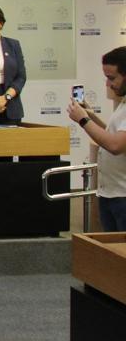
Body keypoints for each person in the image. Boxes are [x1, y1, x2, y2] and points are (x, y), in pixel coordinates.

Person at [68, 47, 126, 230]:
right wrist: (90, 116)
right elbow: (112, 134)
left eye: (112, 78)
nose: (108, 84)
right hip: (111, 194)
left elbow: (115, 145)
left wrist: (84, 120)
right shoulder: (123, 103)